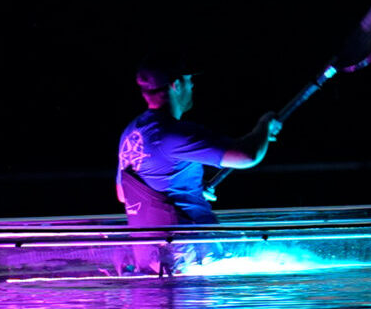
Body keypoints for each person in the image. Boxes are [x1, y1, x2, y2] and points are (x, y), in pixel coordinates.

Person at [115, 53, 281, 229]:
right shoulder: (173, 133)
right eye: (188, 79)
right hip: (193, 250)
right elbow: (248, 155)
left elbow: (123, 194)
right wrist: (265, 125)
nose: (192, 84)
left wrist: (189, 190)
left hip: (160, 250)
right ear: (176, 85)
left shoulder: (130, 133)